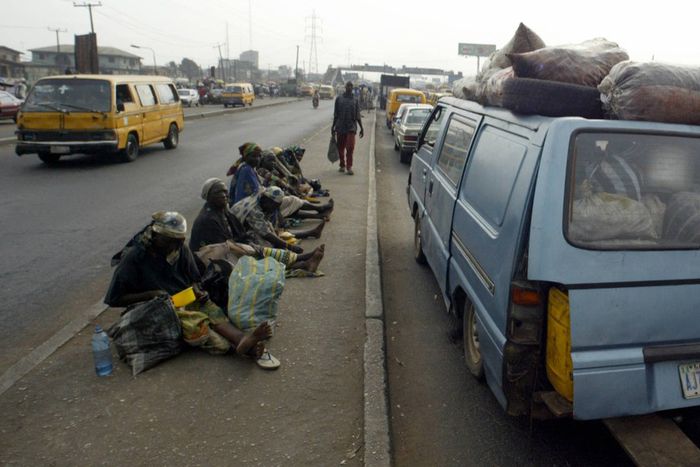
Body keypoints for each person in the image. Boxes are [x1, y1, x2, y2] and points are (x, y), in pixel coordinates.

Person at [105, 211, 280, 369]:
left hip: (184, 298)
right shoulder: (134, 257)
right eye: (169, 243)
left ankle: (242, 339)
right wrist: (152, 294)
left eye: (178, 243)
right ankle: (241, 348)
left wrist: (198, 290)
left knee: (212, 310)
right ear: (155, 236)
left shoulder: (179, 249)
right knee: (213, 338)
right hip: (157, 306)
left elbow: (195, 279)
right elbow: (114, 299)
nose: (174, 248)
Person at [191, 178, 325, 273]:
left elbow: (238, 232)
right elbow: (220, 246)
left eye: (225, 192)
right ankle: (300, 262)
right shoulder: (207, 219)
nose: (224, 195)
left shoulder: (221, 209)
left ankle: (301, 261)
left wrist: (247, 243)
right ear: (208, 196)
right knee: (255, 257)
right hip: (212, 257)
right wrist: (246, 246)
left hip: (226, 247)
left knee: (257, 249)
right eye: (219, 193)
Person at [231, 186, 325, 252]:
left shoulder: (261, 196)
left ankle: (309, 233)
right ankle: (299, 259)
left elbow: (266, 228)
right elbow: (266, 234)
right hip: (235, 237)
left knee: (272, 230)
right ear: (266, 200)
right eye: (274, 206)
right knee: (267, 247)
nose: (274, 210)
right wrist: (289, 246)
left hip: (247, 228)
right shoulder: (254, 211)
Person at [332, 81, 364, 175]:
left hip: (351, 128)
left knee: (350, 147)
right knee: (340, 148)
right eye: (348, 86)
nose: (349, 87)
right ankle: (342, 165)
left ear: (352, 88)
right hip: (340, 126)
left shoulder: (355, 100)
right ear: (345, 87)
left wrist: (362, 128)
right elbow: (336, 114)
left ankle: (349, 167)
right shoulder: (339, 99)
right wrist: (333, 126)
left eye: (351, 86)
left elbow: (358, 115)